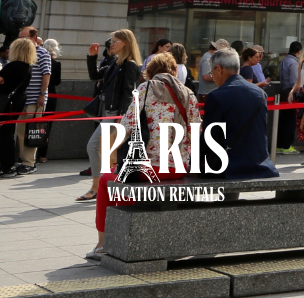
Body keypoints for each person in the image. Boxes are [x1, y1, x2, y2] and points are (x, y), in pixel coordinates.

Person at [86, 53, 201, 262]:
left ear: (149, 73)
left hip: (151, 169)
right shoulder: (188, 94)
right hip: (178, 168)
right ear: (174, 71)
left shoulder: (145, 89)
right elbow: (196, 133)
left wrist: (109, 153)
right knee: (122, 176)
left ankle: (104, 244)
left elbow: (126, 128)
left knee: (106, 181)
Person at [80, 30, 141, 201]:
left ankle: (98, 186)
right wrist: (92, 57)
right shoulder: (115, 62)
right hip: (108, 112)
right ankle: (100, 186)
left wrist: (121, 116)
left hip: (116, 114)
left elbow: (129, 92)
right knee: (103, 150)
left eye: (115, 41)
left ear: (125, 43)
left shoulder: (130, 65)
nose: (111, 44)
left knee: (98, 148)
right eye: (111, 41)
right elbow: (95, 77)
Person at [203, 47, 279, 179]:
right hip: (261, 166)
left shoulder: (216, 96)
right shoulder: (260, 94)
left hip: (229, 167)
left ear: (219, 69)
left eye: (212, 72)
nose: (213, 76)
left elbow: (210, 137)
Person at [13, 26, 51, 174]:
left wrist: (42, 94)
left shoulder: (42, 53)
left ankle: (29, 162)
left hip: (35, 99)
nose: (21, 40)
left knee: (32, 131)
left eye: (24, 37)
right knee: (20, 131)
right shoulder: (20, 54)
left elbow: (46, 74)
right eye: (19, 37)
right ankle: (23, 160)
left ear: (34, 38)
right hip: (22, 97)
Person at [0, 38, 35, 176]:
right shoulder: (28, 67)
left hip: (6, 102)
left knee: (5, 134)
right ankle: (9, 164)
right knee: (9, 132)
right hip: (17, 102)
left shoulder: (12, 66)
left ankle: (7, 166)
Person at [36, 38, 63, 165]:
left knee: (33, 124)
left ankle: (30, 152)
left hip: (36, 93)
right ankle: (42, 155)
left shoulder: (37, 59)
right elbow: (57, 81)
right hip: (51, 95)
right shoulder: (56, 64)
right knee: (47, 126)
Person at [276, 41, 301, 155]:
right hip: (291, 93)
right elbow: (294, 81)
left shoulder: (284, 60)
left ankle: (279, 145)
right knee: (290, 120)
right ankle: (286, 145)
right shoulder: (294, 63)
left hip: (283, 91)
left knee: (282, 120)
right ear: (299, 52)